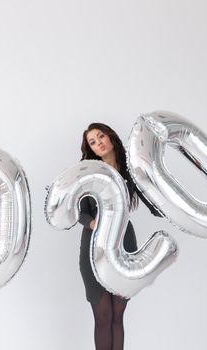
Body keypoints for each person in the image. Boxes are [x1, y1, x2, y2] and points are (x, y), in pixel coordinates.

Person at [79, 122, 161, 350]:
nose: (98, 144)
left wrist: (170, 206)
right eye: (92, 142)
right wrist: (93, 222)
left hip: (124, 242)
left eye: (100, 137)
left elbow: (152, 203)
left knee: (117, 314)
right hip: (94, 246)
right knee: (103, 316)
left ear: (111, 137)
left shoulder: (130, 170)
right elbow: (80, 212)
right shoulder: (88, 171)